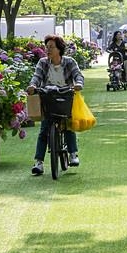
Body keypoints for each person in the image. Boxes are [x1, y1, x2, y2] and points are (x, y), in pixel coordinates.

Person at [26, 34, 84, 176]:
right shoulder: (43, 63)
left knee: (68, 123)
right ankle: (38, 162)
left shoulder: (69, 62)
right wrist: (32, 86)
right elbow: (37, 77)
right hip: (48, 95)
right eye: (47, 47)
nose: (48, 50)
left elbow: (78, 75)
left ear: (59, 49)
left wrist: (78, 84)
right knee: (44, 129)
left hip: (65, 95)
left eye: (51, 47)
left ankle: (73, 154)